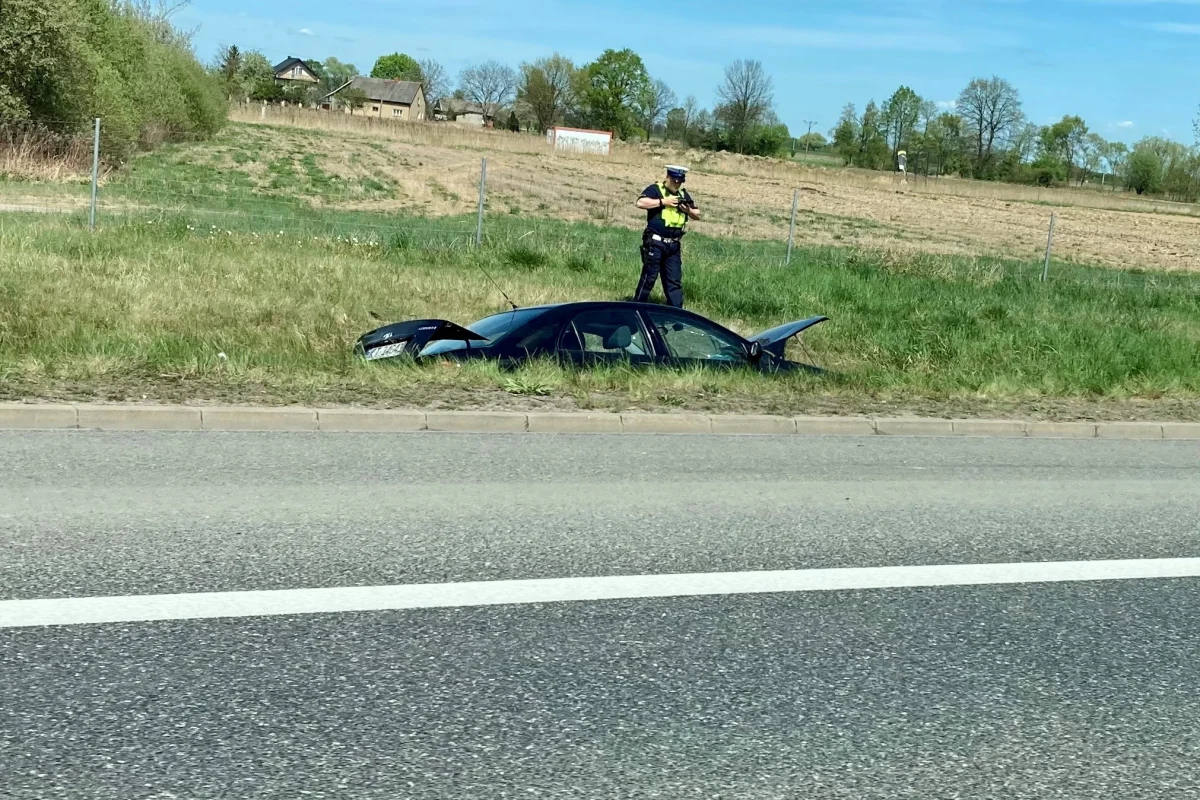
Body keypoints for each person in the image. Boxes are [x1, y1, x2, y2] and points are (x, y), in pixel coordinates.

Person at [633, 165, 701, 308]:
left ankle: (676, 313)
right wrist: (663, 202)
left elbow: (697, 214)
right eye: (674, 180)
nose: (677, 184)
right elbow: (640, 202)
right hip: (655, 243)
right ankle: (636, 308)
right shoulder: (656, 189)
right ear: (667, 177)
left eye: (680, 181)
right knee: (649, 277)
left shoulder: (683, 195)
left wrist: (688, 210)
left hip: (674, 246)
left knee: (674, 282)